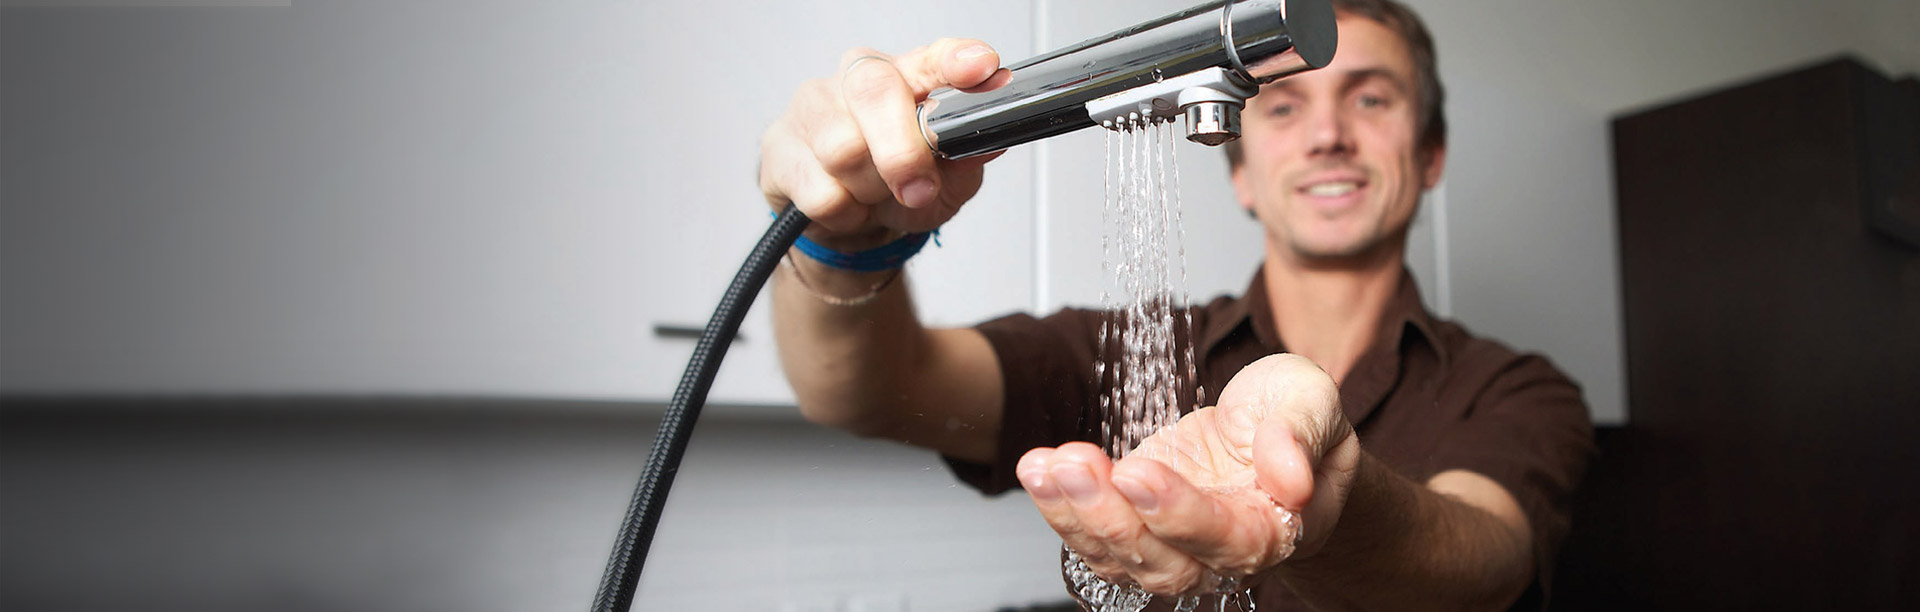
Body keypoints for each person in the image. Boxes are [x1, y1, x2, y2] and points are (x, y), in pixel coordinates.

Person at [757, 1, 1594, 610]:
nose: (1328, 134)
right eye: (1288, 104)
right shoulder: (1126, 350)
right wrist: (843, 240)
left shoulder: (1518, 389)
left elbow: (1488, 560)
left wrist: (1336, 506)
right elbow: (861, 389)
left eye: (1372, 100)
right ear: (1238, 166)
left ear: (1432, 154)